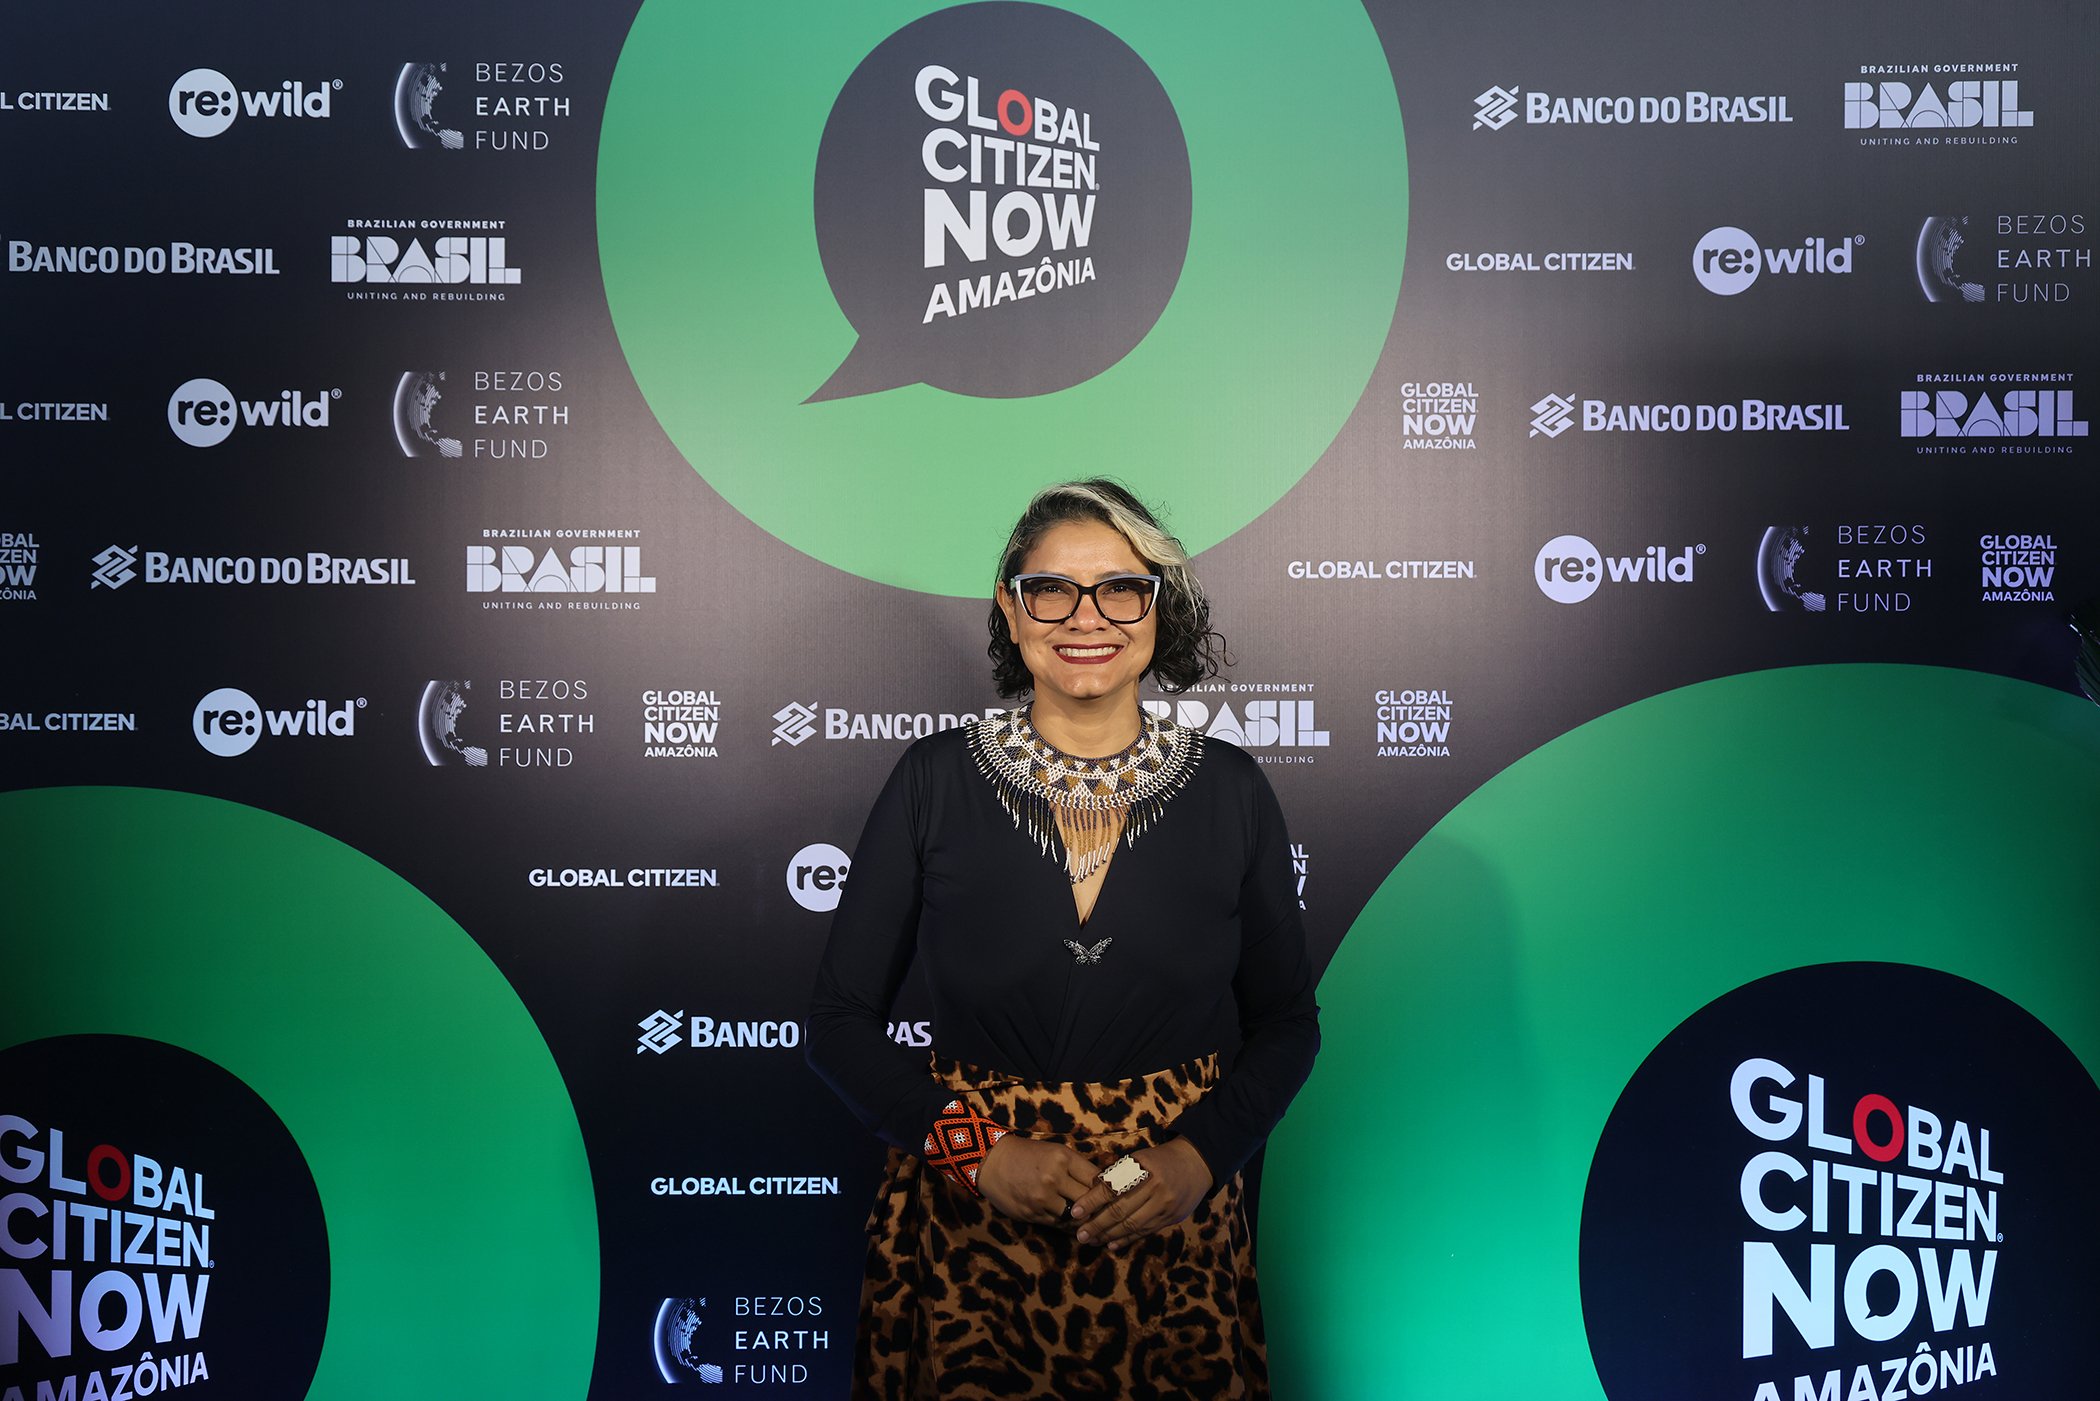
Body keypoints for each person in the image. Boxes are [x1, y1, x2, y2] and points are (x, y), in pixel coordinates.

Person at [807, 479, 1320, 1397]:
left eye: (1121, 587)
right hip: (971, 1234)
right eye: (1053, 588)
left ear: (1163, 610)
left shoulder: (1233, 792)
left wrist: (1196, 1158)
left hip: (1171, 1236)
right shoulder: (933, 780)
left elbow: (1287, 1022)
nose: (1087, 617)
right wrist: (976, 1150)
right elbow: (839, 1018)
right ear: (1012, 607)